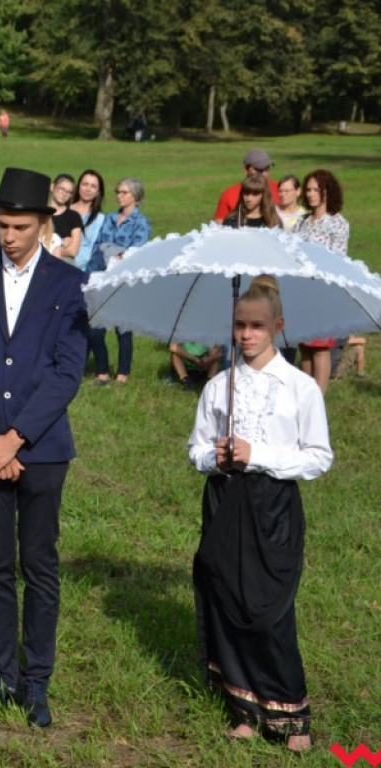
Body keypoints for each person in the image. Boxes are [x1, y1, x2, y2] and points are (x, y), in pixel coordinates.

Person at [0, 167, 88, 728]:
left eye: (20, 227)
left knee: (40, 563)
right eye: (2, 225)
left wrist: (16, 438)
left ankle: (36, 683)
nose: (7, 236)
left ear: (43, 224)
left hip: (42, 447)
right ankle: (0, 677)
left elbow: (67, 370)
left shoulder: (68, 283)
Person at [188, 275, 331, 754]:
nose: (246, 335)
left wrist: (259, 455)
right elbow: (195, 449)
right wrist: (216, 457)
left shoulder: (300, 387)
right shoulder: (219, 387)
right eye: (239, 325)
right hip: (225, 499)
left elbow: (318, 457)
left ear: (278, 326)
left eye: (257, 326)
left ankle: (292, 716)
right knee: (226, 597)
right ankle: (245, 709)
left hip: (273, 507)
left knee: (268, 610)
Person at [293, 169, 350, 394]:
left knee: (319, 346)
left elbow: (338, 259)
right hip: (300, 290)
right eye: (308, 189)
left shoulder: (337, 223)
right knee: (305, 346)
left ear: (328, 192)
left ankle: (319, 396)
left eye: (316, 189)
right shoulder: (302, 221)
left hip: (322, 291)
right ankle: (306, 395)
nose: (311, 194)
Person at [89, 178, 151, 384]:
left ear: (135, 196)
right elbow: (98, 245)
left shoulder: (141, 223)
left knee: (123, 330)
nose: (119, 195)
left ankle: (122, 374)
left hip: (125, 281)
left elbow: (137, 252)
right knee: (95, 330)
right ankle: (102, 372)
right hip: (103, 277)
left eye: (124, 192)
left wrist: (114, 253)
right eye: (118, 191)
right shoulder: (109, 218)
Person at [213, 149, 280, 224]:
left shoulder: (281, 190)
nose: (263, 174)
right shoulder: (229, 195)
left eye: (266, 169)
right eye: (258, 169)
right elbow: (219, 224)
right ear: (245, 169)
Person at [69, 169, 106, 273]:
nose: (88, 189)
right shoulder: (65, 211)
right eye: (85, 184)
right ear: (79, 186)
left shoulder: (99, 219)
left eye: (93, 186)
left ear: (98, 192)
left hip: (80, 270)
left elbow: (92, 250)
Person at [50, 174, 82, 261]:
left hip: (63, 260)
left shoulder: (74, 216)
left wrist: (58, 250)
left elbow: (74, 251)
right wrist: (61, 242)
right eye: (62, 189)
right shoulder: (41, 213)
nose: (64, 194)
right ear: (52, 187)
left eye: (69, 192)